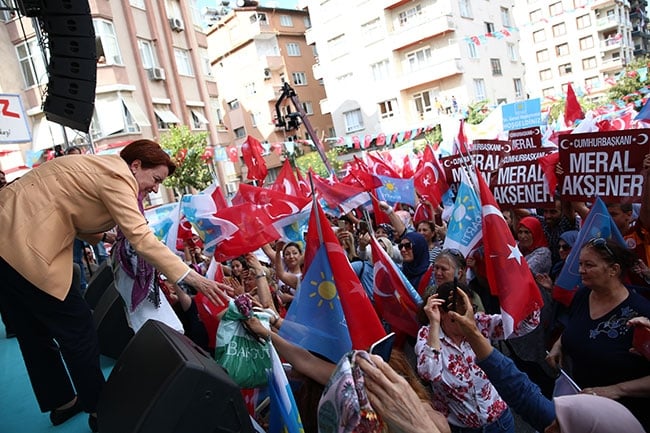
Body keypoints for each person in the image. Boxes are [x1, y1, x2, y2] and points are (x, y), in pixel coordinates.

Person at [0, 139, 230, 432]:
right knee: (78, 327)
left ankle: (60, 403)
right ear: (135, 166)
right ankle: (100, 410)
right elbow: (142, 237)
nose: (156, 188)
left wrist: (105, 238)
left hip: (3, 246)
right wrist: (191, 277)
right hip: (24, 247)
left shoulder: (98, 167)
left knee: (33, 332)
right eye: (155, 179)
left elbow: (69, 204)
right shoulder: (118, 175)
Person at [449, 287, 645, 433]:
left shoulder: (641, 308)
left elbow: (521, 390)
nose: (547, 429)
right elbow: (522, 394)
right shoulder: (584, 295)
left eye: (561, 426)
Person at [546, 237, 650, 429]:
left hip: (626, 418)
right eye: (580, 264)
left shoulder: (642, 314)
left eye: (589, 265)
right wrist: (559, 344)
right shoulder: (583, 295)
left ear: (613, 270)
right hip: (586, 412)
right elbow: (579, 326)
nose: (580, 271)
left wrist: (616, 390)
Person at [416, 281, 540, 433]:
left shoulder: (480, 324)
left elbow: (526, 324)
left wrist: (519, 289)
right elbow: (429, 373)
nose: (466, 318)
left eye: (470, 309)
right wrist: (434, 323)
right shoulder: (428, 334)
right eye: (458, 312)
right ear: (441, 312)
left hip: (500, 422)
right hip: (464, 429)